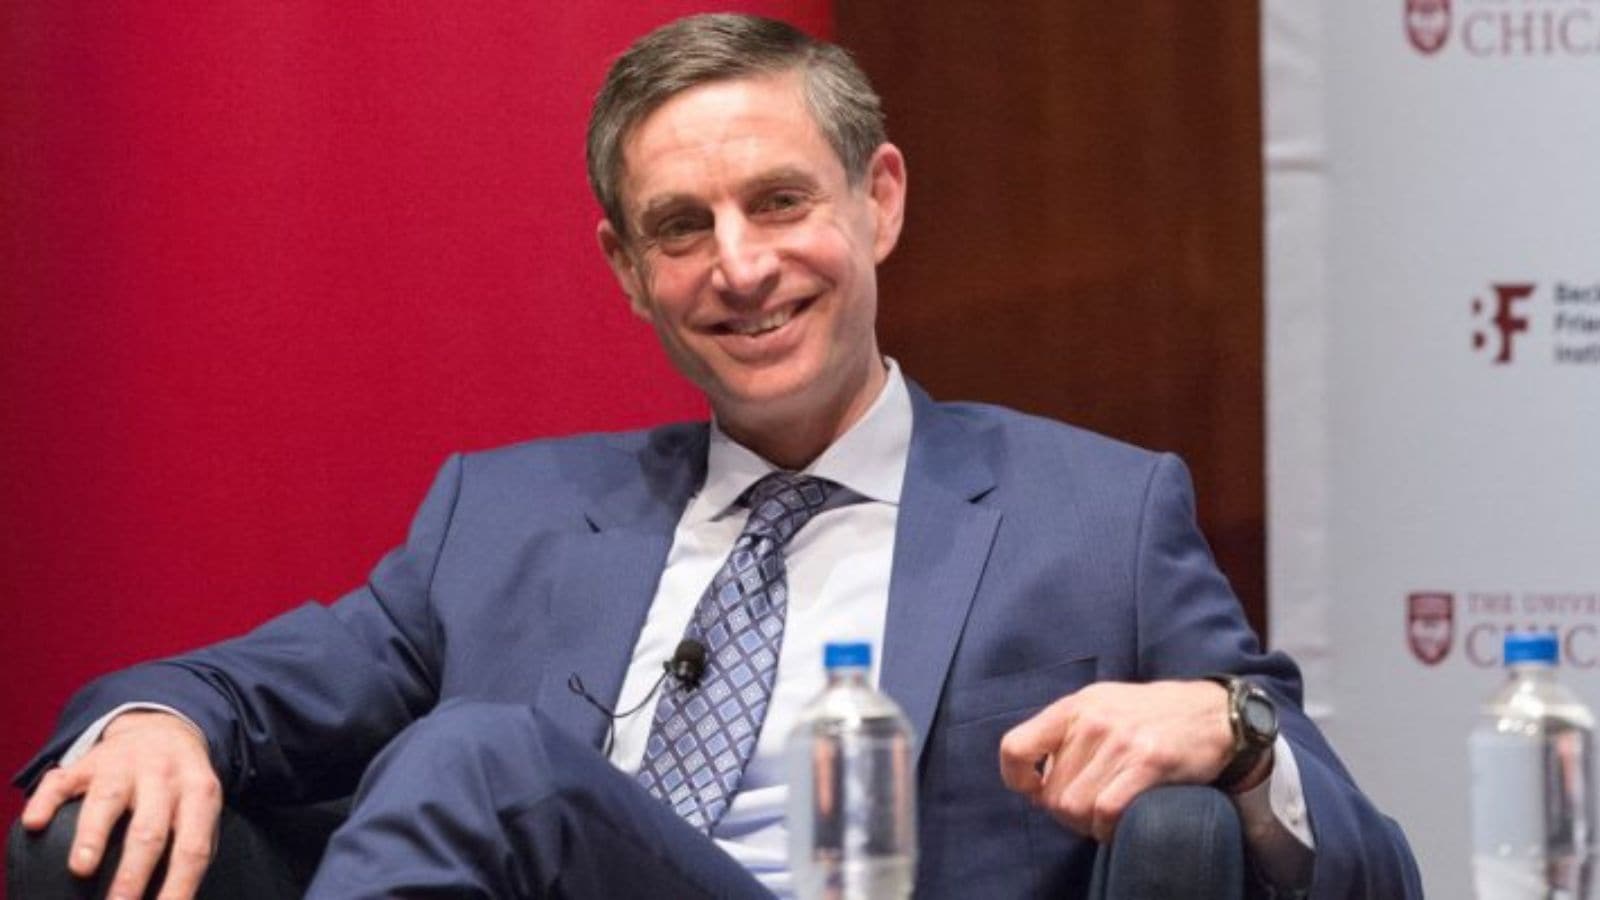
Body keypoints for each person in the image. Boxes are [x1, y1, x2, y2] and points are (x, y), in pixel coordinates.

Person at [14, 13, 1421, 899]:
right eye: (681, 227)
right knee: (128, 807)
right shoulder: (500, 516)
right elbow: (238, 688)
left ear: (878, 202)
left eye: (780, 202)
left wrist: (1232, 740)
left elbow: (1378, 871)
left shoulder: (1097, 512)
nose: (740, 266)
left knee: (487, 759)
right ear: (628, 271)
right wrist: (155, 724)